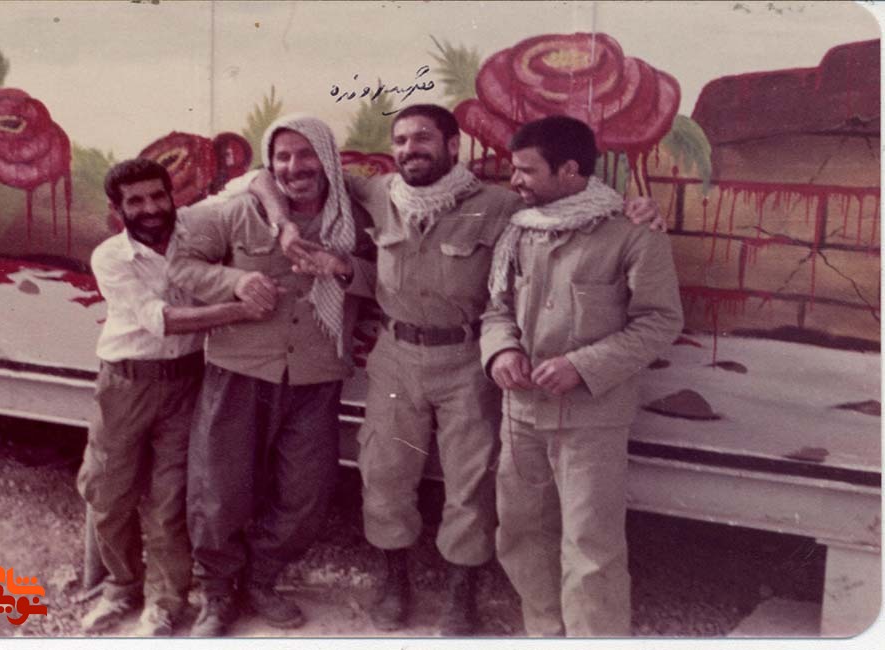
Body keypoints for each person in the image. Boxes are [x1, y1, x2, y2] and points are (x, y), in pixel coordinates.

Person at [263, 104, 663, 636]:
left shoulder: (503, 205)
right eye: (400, 140)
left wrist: (637, 206)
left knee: (470, 483)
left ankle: (460, 593)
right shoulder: (378, 192)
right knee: (384, 473)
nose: (409, 150)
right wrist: (286, 223)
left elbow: (569, 214)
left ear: (453, 146)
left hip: (467, 362)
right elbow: (270, 177)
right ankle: (394, 582)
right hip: (396, 358)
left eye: (422, 138)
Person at [167, 115, 374, 636]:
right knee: (219, 489)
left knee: (306, 494)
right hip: (239, 370)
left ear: (327, 159)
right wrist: (234, 283)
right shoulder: (241, 210)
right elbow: (181, 263)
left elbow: (386, 280)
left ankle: (261, 579)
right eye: (282, 156)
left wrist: (343, 267)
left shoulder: (355, 221)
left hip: (316, 377)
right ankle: (217, 593)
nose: (293, 167)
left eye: (306, 154)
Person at [481, 116, 684, 636]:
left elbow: (661, 322)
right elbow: (496, 308)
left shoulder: (632, 234)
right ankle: (545, 632)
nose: (515, 180)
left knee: (590, 546)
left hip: (591, 421)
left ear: (569, 170)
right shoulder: (520, 230)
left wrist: (582, 366)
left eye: (527, 170)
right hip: (521, 413)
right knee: (521, 533)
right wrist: (502, 351)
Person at [77, 158, 266, 636]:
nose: (151, 208)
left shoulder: (197, 230)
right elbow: (159, 319)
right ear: (117, 209)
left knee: (170, 501)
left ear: (172, 195)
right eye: (136, 201)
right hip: (125, 385)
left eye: (158, 196)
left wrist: (281, 222)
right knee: (108, 492)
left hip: (187, 383)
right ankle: (120, 587)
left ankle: (164, 604)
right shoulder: (110, 257)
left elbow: (253, 179)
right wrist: (239, 310)